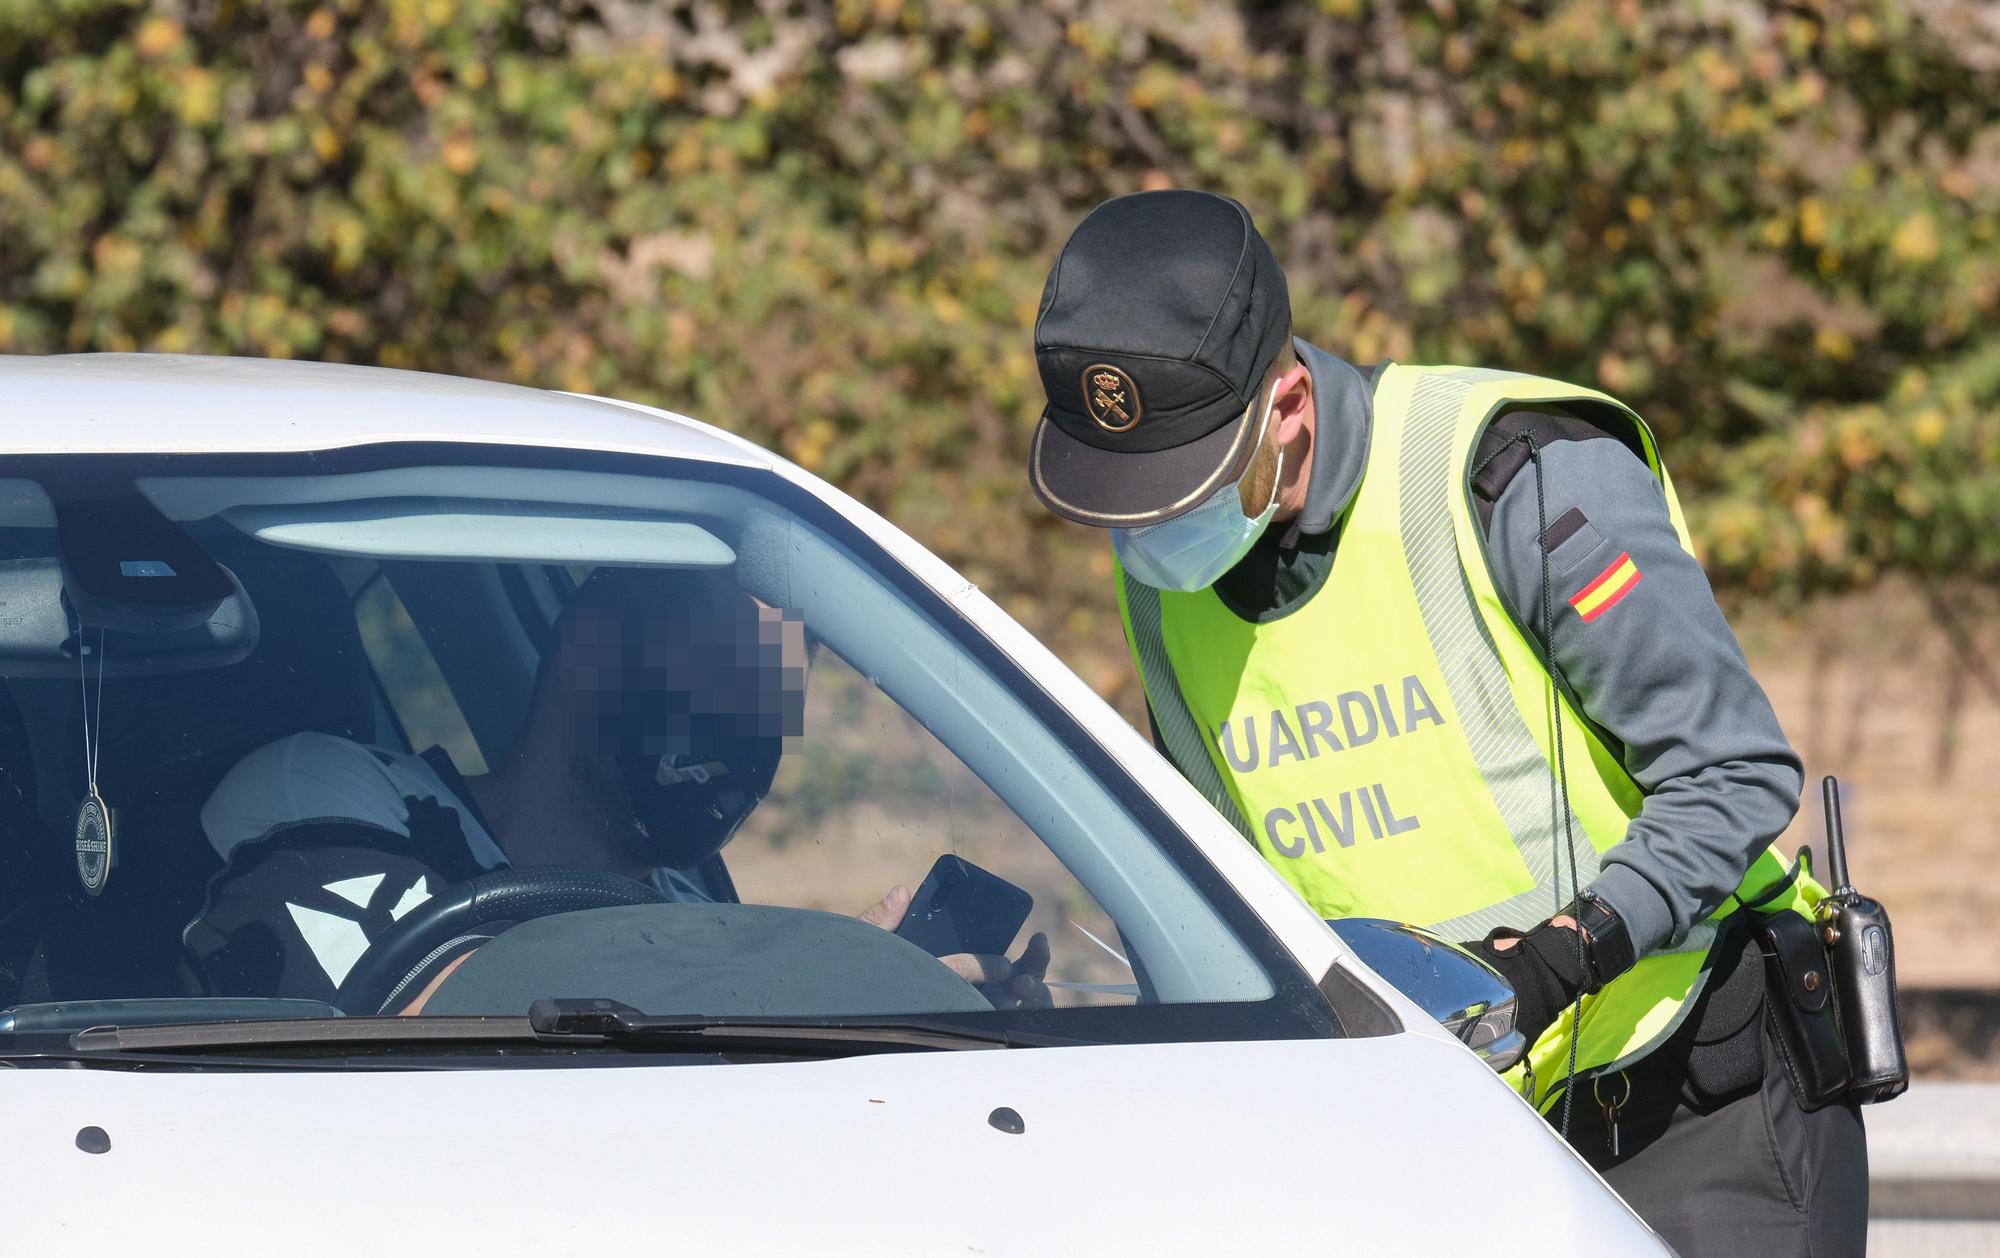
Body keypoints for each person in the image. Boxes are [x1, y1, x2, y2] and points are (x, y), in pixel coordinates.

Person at [1026, 190, 1864, 1255]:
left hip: (1692, 1109)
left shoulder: (1512, 471)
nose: (1150, 532)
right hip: (1431, 1134)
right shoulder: (1159, 573)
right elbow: (1219, 874)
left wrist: (1564, 954)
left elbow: (1731, 769)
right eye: (1130, 501)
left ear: (1285, 404)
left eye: (1187, 486)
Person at [190, 567, 1048, 1012]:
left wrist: (911, 1015)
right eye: (735, 681)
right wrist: (826, 977)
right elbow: (430, 1011)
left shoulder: (688, 912)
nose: (755, 731)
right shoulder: (338, 792)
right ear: (591, 656)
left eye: (778, 699)